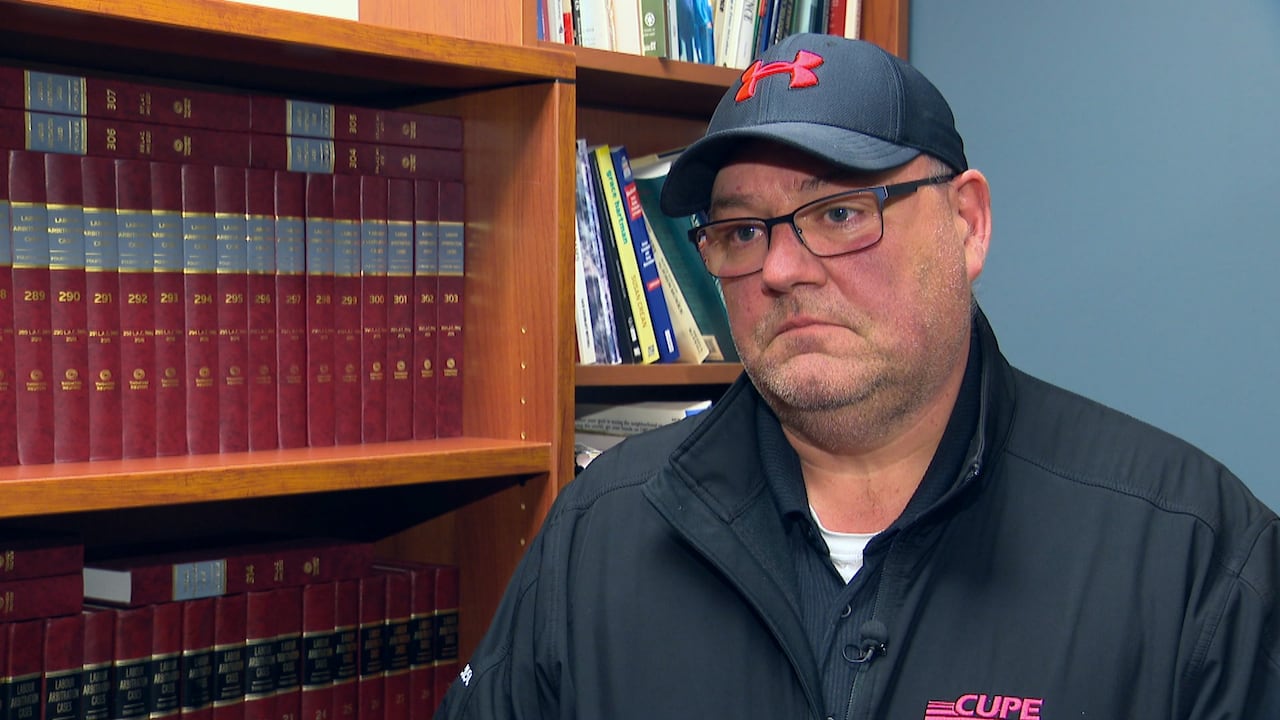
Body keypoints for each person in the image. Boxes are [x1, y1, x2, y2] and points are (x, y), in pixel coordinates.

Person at [435, 33, 1279, 719]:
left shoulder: (1192, 553)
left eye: (839, 213)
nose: (781, 270)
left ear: (967, 223)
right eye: (741, 231)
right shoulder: (602, 528)